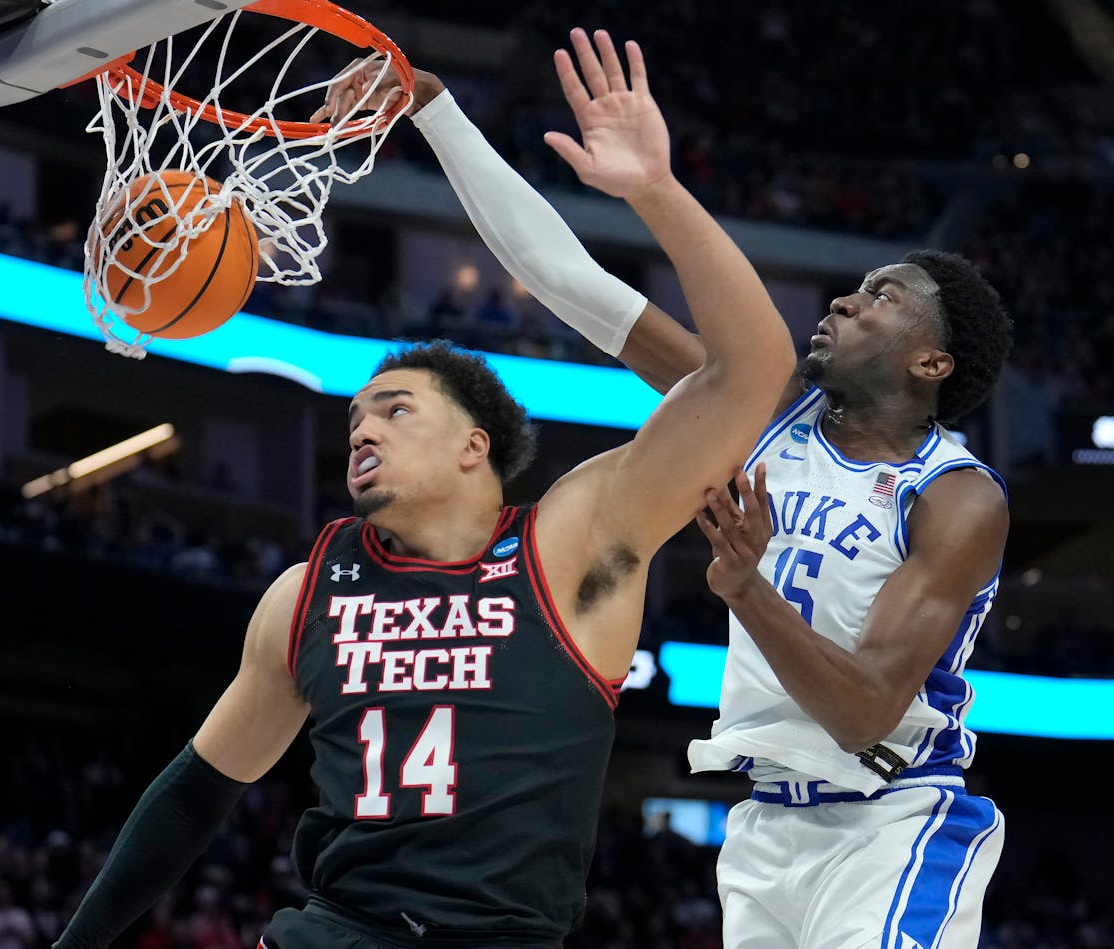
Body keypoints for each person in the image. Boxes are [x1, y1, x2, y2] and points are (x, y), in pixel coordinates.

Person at [51, 29, 793, 949]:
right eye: (357, 415)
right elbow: (200, 788)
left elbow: (754, 367)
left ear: (474, 447)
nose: (362, 426)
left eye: (395, 410)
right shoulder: (308, 590)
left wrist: (655, 190)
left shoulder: (573, 541)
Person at [388, 30, 1013, 944]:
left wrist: (744, 589)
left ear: (931, 359)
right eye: (854, 287)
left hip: (895, 821)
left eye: (882, 296)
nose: (844, 300)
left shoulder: (958, 497)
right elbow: (567, 281)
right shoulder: (761, 420)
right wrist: (434, 109)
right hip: (760, 830)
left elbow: (865, 709)